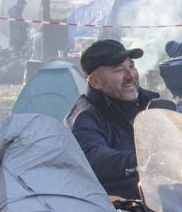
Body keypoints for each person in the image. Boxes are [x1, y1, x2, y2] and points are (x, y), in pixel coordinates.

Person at [66, 38, 162, 199]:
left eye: (131, 66)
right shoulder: (84, 118)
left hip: (170, 204)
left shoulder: (151, 104)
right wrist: (142, 162)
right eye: (119, 70)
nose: (131, 75)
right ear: (95, 82)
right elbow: (96, 159)